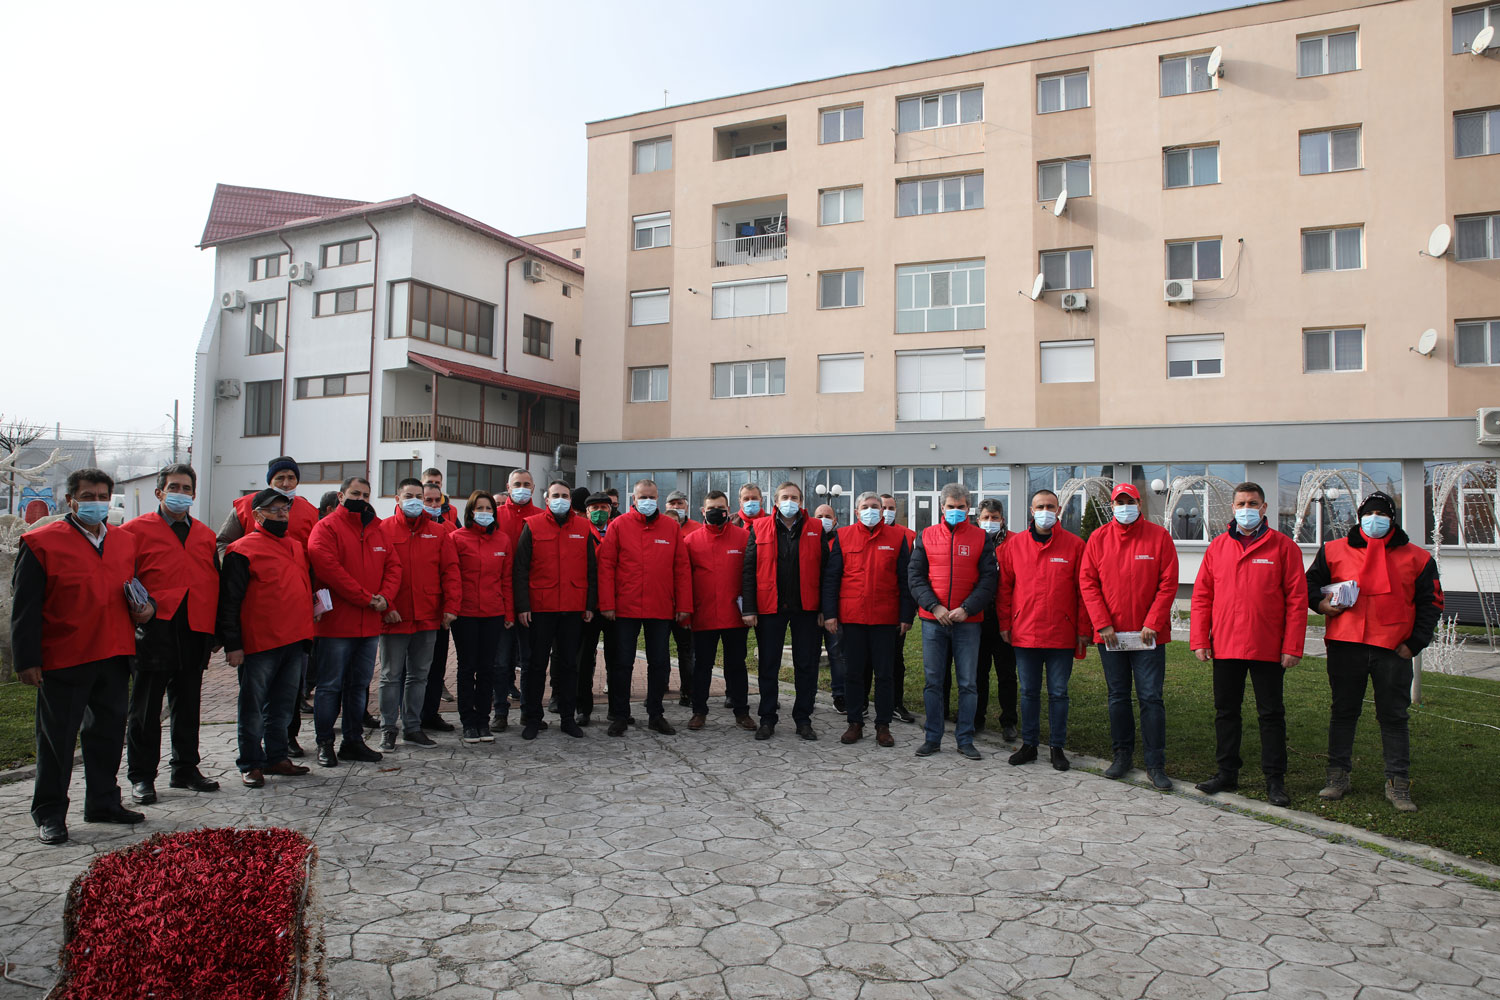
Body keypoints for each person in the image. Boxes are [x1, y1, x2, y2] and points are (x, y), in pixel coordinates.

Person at [12, 468, 153, 845]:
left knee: (107, 735)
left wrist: (147, 608)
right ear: (70, 500)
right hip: (64, 657)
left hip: (114, 653)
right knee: (57, 740)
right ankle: (50, 813)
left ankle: (103, 802)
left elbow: (138, 588)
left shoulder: (125, 541)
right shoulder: (41, 542)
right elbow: (25, 607)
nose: (97, 503)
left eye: (103, 496)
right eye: (88, 496)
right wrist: (26, 660)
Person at [1306, 490, 1442, 812]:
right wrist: (1321, 605)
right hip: (1346, 645)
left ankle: (1398, 782)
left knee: (1394, 717)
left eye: (1381, 514)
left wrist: (1415, 643)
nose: (1374, 519)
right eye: (1369, 513)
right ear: (1359, 517)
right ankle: (1337, 776)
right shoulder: (1332, 550)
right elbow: (1308, 585)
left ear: (1392, 519)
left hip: (1393, 649)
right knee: (1343, 712)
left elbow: (1432, 603)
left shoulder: (1418, 558)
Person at [1189, 483, 1308, 806]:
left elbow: (1297, 601)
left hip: (1267, 646)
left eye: (1253, 503)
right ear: (1232, 508)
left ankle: (1275, 780)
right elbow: (1202, 597)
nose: (1246, 509)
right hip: (1226, 645)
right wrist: (1200, 639)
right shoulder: (1218, 547)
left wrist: (1292, 646)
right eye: (1241, 503)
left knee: (1271, 714)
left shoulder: (1284, 548)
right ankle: (1226, 772)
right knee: (1226, 712)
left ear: (1264, 507)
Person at [120, 464, 221, 805]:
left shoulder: (205, 534)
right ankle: (142, 776)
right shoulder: (133, 531)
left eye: (186, 488)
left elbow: (214, 580)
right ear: (159, 492)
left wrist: (217, 631)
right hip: (154, 629)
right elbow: (122, 580)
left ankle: (185, 768)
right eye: (174, 487)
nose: (180, 493)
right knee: (146, 709)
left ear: (194, 494)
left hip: (194, 628)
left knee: (188, 705)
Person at [1080, 482, 1180, 789]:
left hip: (1148, 636)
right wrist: (1102, 623)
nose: (1125, 506)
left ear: (1140, 503)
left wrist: (1153, 622)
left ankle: (1155, 764)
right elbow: (1088, 582)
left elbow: (1168, 582)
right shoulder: (1098, 538)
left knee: (1151, 697)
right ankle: (1122, 756)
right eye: (1119, 502)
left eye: (1130, 501)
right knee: (1118, 697)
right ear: (1112, 506)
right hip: (1111, 636)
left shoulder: (1159, 537)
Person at [218, 489, 315, 788]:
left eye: (285, 510)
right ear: (257, 515)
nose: (281, 515)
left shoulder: (295, 546)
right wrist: (233, 644)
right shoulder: (240, 550)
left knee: (283, 706)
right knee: (253, 706)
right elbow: (229, 602)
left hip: (294, 640)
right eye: (274, 510)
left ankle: (277, 756)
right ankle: (250, 762)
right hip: (259, 644)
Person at [306, 476, 400, 768]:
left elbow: (393, 566)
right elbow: (330, 570)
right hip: (336, 625)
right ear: (341, 495)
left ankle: (353, 741)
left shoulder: (377, 529)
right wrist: (367, 598)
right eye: (355, 493)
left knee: (359, 686)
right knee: (330, 686)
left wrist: (385, 597)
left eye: (365, 494)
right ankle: (324, 742)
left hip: (368, 625)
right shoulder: (326, 528)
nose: (360, 499)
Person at [998, 489, 1090, 772]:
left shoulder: (1075, 546)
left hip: (1061, 634)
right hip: (1025, 632)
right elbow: (1005, 589)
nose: (1045, 511)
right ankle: (1029, 745)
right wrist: (1005, 623)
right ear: (1031, 510)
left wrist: (1083, 629)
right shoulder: (1014, 546)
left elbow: (1083, 591)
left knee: (1058, 693)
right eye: (1040, 507)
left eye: (1050, 506)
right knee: (1028, 692)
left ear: (1059, 510)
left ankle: (1057, 747)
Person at [909, 483, 998, 760]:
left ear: (968, 508)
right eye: (951, 507)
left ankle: (965, 738)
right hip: (933, 621)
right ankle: (932, 738)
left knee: (968, 683)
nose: (956, 511)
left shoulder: (981, 537)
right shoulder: (926, 536)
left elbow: (989, 580)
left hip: (968, 622)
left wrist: (967, 608)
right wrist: (934, 607)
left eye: (961, 507)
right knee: (933, 682)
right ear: (942, 507)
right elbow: (915, 576)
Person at [599, 479, 692, 736]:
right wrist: (606, 603)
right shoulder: (619, 525)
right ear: (634, 499)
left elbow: (681, 568)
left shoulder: (670, 528)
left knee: (659, 663)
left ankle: (656, 714)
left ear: (658, 499)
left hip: (660, 607)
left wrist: (684, 604)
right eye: (643, 497)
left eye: (651, 497)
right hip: (625, 607)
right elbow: (606, 566)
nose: (647, 501)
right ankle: (620, 715)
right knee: (622, 663)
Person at [822, 491, 914, 748]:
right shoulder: (843, 536)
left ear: (882, 511)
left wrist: (906, 615)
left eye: (875, 506)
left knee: (885, 674)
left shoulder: (897, 538)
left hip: (885, 618)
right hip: (852, 618)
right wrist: (830, 614)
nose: (870, 510)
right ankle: (855, 722)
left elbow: (905, 579)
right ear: (856, 511)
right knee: (853, 673)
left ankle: (883, 726)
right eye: (865, 506)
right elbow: (832, 578)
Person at [377, 479, 461, 751]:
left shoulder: (438, 532)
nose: (414, 501)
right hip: (395, 616)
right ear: (397, 499)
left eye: (418, 496)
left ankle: (412, 727)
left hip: (427, 615)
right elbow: (376, 573)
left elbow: (450, 571)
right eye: (409, 496)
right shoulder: (383, 529)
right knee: (390, 676)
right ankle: (388, 728)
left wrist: (450, 606)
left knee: (419, 676)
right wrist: (386, 607)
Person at [513, 480, 598, 739]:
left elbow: (591, 569)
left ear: (571, 500)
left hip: (573, 608)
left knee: (569, 665)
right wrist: (523, 605)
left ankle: (567, 718)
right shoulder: (532, 525)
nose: (561, 499)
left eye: (565, 495)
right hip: (541, 608)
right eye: (556, 495)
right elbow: (520, 568)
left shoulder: (583, 527)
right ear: (547, 499)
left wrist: (589, 604)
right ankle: (533, 718)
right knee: (536, 665)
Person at [742, 482, 825, 740]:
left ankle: (803, 719)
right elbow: (749, 570)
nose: (790, 501)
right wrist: (749, 608)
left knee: (806, 666)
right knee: (768, 665)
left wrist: (825, 608)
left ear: (801, 502)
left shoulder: (816, 528)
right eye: (785, 497)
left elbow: (825, 570)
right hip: (770, 607)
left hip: (807, 608)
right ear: (776, 502)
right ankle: (767, 718)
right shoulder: (759, 527)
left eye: (795, 497)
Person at [684, 490, 757, 731]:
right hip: (703, 615)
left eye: (721, 508)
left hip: (735, 616)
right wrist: (686, 611)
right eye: (711, 508)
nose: (716, 512)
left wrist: (750, 609)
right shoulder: (691, 541)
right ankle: (699, 711)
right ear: (703, 511)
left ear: (728, 510)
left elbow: (751, 576)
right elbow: (684, 579)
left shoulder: (743, 538)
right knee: (702, 666)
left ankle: (742, 711)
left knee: (736, 665)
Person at [948, 499, 1018, 739]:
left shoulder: (1014, 542)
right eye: (986, 518)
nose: (990, 522)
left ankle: (1009, 721)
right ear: (977, 520)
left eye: (994, 518)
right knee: (978, 671)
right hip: (976, 615)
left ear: (1002, 519)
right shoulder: (972, 540)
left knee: (1007, 673)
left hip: (1004, 617)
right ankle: (977, 718)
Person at [450, 490, 513, 743]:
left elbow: (506, 579)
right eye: (480, 508)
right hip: (465, 614)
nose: (485, 513)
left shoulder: (502, 540)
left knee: (488, 669)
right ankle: (468, 721)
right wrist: (452, 609)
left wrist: (508, 612)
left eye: (489, 509)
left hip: (493, 613)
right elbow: (452, 577)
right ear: (470, 511)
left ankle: (483, 720)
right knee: (467, 668)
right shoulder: (457, 538)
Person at [493, 469, 542, 729]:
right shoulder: (495, 515)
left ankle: (528, 712)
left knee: (530, 662)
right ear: (508, 487)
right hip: (501, 600)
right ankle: (500, 712)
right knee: (501, 662)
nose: (521, 488)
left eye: (526, 484)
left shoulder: (541, 518)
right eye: (517, 484)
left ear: (533, 488)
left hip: (531, 602)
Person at [418, 479, 460, 733]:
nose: (433, 505)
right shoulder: (393, 528)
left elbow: (452, 571)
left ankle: (431, 714)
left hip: (439, 611)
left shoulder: (448, 529)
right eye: (428, 500)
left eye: (437, 501)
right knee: (412, 670)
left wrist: (451, 607)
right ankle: (411, 717)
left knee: (436, 666)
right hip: (412, 612)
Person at [215, 456, 320, 555]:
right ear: (270, 482)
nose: (286, 484)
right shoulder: (245, 506)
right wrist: (234, 565)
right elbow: (223, 543)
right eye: (280, 478)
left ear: (297, 481)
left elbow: (315, 550)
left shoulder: (310, 511)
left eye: (291, 478)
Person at [574, 492, 617, 726]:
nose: (599, 511)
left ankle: (617, 709)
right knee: (584, 660)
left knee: (617, 659)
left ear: (610, 510)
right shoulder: (580, 531)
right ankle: (583, 708)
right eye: (594, 508)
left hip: (614, 606)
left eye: (603, 507)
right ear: (587, 512)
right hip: (587, 606)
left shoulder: (618, 531)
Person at [881, 493, 919, 723]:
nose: (886, 512)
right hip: (868, 610)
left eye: (891, 508)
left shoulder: (908, 535)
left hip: (896, 610)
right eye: (883, 507)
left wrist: (908, 611)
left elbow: (911, 577)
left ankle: (896, 703)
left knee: (895, 659)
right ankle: (862, 703)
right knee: (865, 660)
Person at [813, 503, 849, 714]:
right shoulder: (807, 540)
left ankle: (840, 695)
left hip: (834, 608)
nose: (823, 520)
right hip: (809, 608)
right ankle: (807, 694)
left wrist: (828, 610)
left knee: (837, 653)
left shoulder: (841, 541)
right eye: (819, 516)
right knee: (809, 654)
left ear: (835, 520)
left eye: (827, 516)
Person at [664, 489, 698, 705]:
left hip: (685, 602)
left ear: (687, 506)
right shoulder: (658, 529)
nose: (676, 507)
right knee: (659, 650)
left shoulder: (697, 530)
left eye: (680, 504)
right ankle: (660, 686)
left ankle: (688, 691)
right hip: (661, 603)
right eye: (672, 503)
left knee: (686, 650)